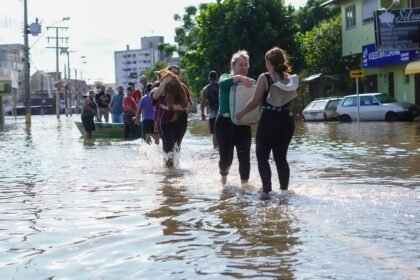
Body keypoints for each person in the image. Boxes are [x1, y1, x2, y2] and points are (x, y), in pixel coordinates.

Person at [236, 47, 295, 193]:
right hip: (288, 120)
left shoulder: (265, 77)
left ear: (269, 62)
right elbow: (292, 104)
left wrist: (241, 113)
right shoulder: (290, 79)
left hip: (269, 119)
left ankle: (267, 191)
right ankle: (284, 192)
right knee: (281, 157)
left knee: (262, 157)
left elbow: (255, 101)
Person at [215, 50, 254, 185]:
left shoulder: (251, 82)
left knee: (244, 157)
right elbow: (222, 84)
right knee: (226, 158)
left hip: (243, 124)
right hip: (224, 123)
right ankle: (224, 178)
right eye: (240, 65)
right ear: (233, 66)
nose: (243, 67)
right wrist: (239, 78)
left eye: (246, 65)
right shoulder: (225, 77)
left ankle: (244, 186)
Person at [151, 66, 191, 168]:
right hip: (165, 122)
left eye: (176, 73)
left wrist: (175, 107)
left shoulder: (182, 86)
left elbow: (188, 105)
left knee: (177, 146)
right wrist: (164, 83)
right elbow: (155, 96)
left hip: (181, 120)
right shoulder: (157, 86)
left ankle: (175, 170)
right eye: (172, 73)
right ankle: (168, 173)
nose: (174, 75)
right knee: (168, 146)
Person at [200, 70, 219, 149]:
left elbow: (202, 102)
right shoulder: (222, 86)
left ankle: (215, 150)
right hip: (223, 112)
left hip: (212, 114)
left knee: (215, 133)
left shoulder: (206, 89)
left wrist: (202, 113)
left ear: (209, 78)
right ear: (217, 78)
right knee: (224, 132)